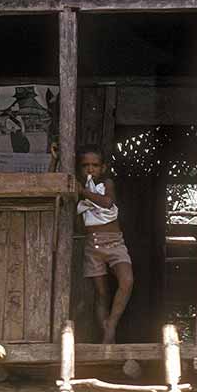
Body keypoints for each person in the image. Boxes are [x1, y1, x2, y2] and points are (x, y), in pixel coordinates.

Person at [76, 145, 133, 344]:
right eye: (85, 165)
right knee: (102, 294)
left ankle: (111, 325)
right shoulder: (75, 186)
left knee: (127, 281)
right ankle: (107, 338)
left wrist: (83, 191)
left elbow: (108, 203)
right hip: (94, 246)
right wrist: (55, 160)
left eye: (95, 165)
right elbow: (52, 186)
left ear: (103, 167)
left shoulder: (106, 184)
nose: (90, 169)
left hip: (115, 242)